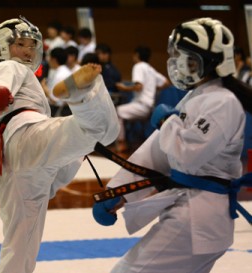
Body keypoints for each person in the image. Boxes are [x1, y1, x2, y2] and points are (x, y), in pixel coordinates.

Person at [92, 17, 252, 273]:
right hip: (192, 214)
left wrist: (168, 122)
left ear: (208, 63)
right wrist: (118, 192)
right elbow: (157, 151)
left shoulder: (223, 102)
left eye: (187, 59)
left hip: (198, 219)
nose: (179, 65)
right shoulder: (199, 96)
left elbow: (188, 155)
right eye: (177, 56)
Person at [0, 16, 119, 273]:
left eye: (32, 45)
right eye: (20, 44)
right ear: (1, 46)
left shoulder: (25, 75)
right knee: (101, 130)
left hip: (20, 163)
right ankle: (82, 95)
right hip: (26, 136)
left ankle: (81, 106)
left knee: (21, 242)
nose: (28, 50)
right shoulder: (9, 68)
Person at [115, 45, 170, 152]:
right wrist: (154, 88)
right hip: (149, 107)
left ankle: (122, 143)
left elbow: (139, 86)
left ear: (137, 55)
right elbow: (166, 82)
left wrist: (124, 88)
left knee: (117, 112)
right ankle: (132, 141)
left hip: (141, 106)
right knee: (123, 113)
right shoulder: (150, 69)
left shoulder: (138, 66)